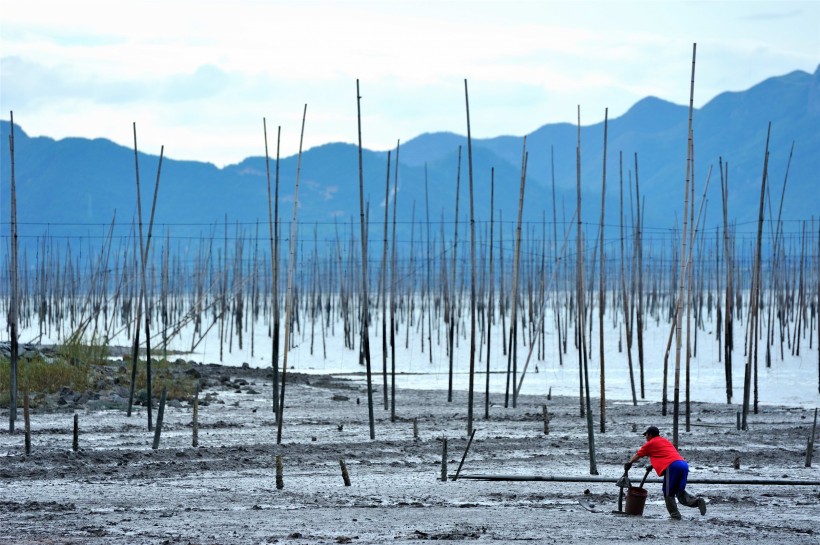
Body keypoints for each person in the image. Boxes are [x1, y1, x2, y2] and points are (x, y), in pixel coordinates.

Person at [625, 426, 707, 520]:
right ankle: (697, 502)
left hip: (672, 467)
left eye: (646, 435)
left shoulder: (650, 443)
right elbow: (666, 455)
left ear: (650, 435)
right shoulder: (665, 441)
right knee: (679, 491)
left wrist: (629, 463)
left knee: (668, 492)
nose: (646, 438)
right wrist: (653, 465)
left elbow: (637, 456)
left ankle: (675, 515)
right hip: (683, 465)